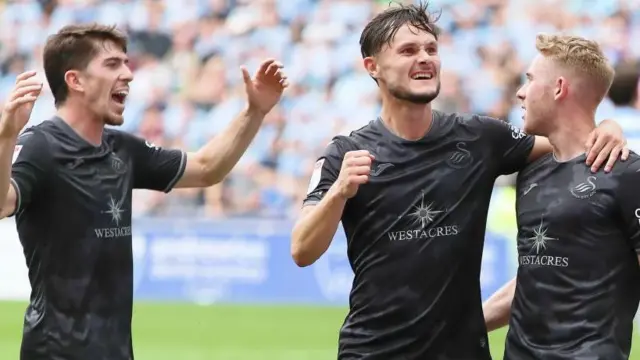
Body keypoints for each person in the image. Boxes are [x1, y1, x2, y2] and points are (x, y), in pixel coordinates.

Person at [290, 3, 628, 360]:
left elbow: (570, 140)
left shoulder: (480, 138)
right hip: (373, 351)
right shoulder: (345, 154)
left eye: (431, 49)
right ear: (372, 67)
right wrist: (340, 192)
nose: (424, 58)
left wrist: (608, 127)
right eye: (408, 50)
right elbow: (302, 250)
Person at [0, 24, 287, 360]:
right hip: (54, 352)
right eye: (112, 65)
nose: (128, 74)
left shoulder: (123, 149)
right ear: (75, 80)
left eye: (126, 62)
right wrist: (6, 136)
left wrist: (254, 112)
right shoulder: (39, 146)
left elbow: (208, 168)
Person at [482, 34, 640, 360]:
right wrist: (462, 324)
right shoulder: (531, 174)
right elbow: (535, 277)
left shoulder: (627, 173)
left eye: (529, 80)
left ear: (558, 88)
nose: (520, 92)